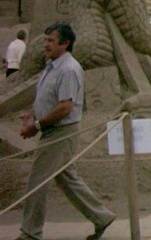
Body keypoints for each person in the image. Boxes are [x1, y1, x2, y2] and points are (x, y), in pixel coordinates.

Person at [17, 22, 116, 240]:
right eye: (46, 40)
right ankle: (102, 217)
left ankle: (30, 234)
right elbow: (48, 97)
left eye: (51, 41)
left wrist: (38, 126)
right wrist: (32, 114)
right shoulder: (52, 66)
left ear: (65, 43)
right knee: (68, 179)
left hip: (61, 132)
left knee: (37, 182)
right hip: (53, 130)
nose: (46, 45)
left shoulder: (69, 69)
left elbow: (65, 107)